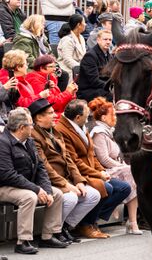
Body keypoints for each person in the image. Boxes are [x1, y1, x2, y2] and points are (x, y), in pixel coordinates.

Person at [55, 100, 131, 239]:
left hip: (91, 171)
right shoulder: (62, 130)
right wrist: (98, 174)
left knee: (124, 188)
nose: (89, 116)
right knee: (105, 187)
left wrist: (102, 171)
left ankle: (90, 219)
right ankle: (86, 224)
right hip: (79, 174)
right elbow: (74, 161)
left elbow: (92, 154)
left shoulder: (81, 126)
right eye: (86, 114)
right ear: (78, 117)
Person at [29, 99, 101, 243]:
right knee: (71, 198)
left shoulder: (55, 132)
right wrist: (65, 185)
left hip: (65, 178)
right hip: (49, 180)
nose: (55, 115)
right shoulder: (34, 136)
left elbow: (69, 159)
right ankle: (53, 231)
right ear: (38, 117)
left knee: (93, 195)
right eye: (50, 113)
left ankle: (65, 227)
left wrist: (78, 181)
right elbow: (44, 166)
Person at [0, 108, 66, 254]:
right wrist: (35, 189)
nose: (33, 127)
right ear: (21, 128)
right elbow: (7, 174)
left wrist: (46, 190)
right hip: (5, 186)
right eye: (30, 124)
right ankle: (23, 241)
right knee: (29, 197)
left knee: (57, 194)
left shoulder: (28, 140)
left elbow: (41, 167)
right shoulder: (3, 143)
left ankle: (48, 236)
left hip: (26, 184)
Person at [88, 97, 141, 235]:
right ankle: (132, 221)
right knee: (129, 172)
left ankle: (133, 220)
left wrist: (122, 165)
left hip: (114, 169)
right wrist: (121, 166)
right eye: (113, 115)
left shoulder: (107, 132)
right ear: (104, 117)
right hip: (104, 171)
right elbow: (104, 159)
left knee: (131, 171)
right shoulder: (99, 133)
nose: (116, 118)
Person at [77, 27, 113, 102]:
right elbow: (94, 81)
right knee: (112, 96)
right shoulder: (90, 56)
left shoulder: (109, 56)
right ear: (98, 40)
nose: (108, 42)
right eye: (105, 39)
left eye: (110, 40)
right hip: (89, 90)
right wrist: (110, 86)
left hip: (102, 87)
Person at [57, 13, 87, 79]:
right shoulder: (67, 40)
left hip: (80, 67)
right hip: (68, 69)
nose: (85, 24)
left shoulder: (81, 37)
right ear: (78, 25)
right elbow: (67, 59)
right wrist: (80, 68)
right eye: (84, 22)